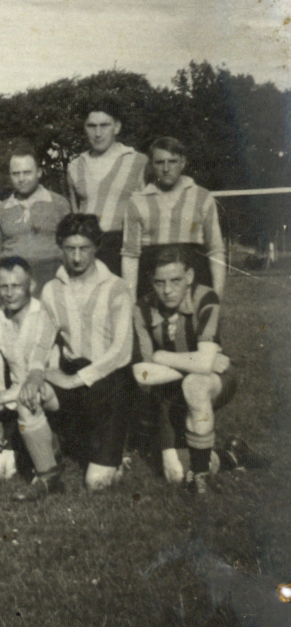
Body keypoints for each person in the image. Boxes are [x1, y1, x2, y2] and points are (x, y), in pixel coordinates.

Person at [17, 213, 133, 500]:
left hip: (109, 382)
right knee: (28, 396)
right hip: (72, 377)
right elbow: (42, 341)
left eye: (84, 248)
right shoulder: (52, 289)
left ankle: (118, 451)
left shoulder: (117, 287)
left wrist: (74, 380)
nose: (77, 257)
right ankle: (48, 474)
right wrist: (35, 373)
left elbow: (121, 352)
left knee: (96, 484)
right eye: (70, 249)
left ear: (97, 247)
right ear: (60, 247)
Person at [131, 245, 237, 495]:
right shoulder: (142, 308)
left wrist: (160, 357)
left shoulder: (205, 297)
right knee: (175, 474)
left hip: (215, 378)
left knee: (194, 385)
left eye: (175, 280)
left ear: (189, 277)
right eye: (159, 282)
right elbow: (141, 374)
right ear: (150, 280)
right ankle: (231, 455)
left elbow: (205, 367)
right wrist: (194, 363)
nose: (167, 290)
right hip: (168, 392)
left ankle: (199, 477)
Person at [121, 137, 226, 300]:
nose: (166, 169)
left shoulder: (202, 197)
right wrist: (131, 302)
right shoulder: (137, 202)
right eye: (159, 162)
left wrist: (216, 297)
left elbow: (216, 250)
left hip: (194, 279)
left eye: (172, 161)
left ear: (182, 162)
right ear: (151, 165)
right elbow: (130, 255)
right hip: (153, 283)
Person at [0, 256, 50, 480]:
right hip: (14, 402)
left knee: (17, 466)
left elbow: (44, 379)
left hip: (45, 399)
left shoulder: (45, 315)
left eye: (16, 286)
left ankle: (52, 446)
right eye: (3, 287)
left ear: (31, 285)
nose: (9, 293)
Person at [67, 94, 147, 276]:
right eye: (91, 126)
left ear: (116, 127)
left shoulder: (137, 161)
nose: (98, 133)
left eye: (104, 125)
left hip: (125, 250)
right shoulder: (74, 166)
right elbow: (74, 212)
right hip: (87, 250)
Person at [0, 142, 70, 296]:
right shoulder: (0, 211)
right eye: (15, 173)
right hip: (14, 282)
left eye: (27, 172)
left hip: (51, 279)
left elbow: (69, 247)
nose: (21, 179)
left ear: (39, 172)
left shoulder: (59, 204)